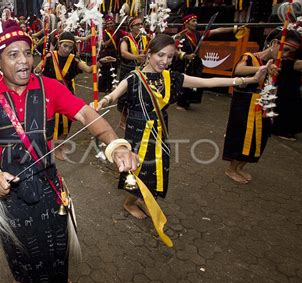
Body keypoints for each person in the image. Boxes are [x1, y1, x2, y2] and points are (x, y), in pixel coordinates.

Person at [0, 19, 138, 283]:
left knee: (57, 237)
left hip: (48, 182)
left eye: (27, 52)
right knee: (16, 242)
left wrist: (115, 144)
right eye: (13, 54)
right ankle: (21, 277)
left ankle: (59, 276)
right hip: (8, 188)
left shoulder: (50, 88)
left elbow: (85, 114)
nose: (24, 61)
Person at [96, 34, 267, 219]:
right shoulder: (134, 77)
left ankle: (143, 198)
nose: (165, 61)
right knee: (137, 169)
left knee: (156, 169)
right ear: (149, 53)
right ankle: (129, 202)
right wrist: (102, 101)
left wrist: (247, 80)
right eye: (160, 55)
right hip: (137, 134)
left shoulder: (173, 78)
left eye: (170, 57)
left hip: (159, 132)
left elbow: (207, 82)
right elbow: (113, 95)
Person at [223, 30, 302, 183]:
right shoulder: (250, 57)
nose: (287, 54)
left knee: (259, 139)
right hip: (245, 107)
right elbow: (238, 70)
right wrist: (262, 69)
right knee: (243, 137)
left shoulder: (277, 65)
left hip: (264, 107)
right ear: (274, 44)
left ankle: (240, 168)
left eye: (291, 52)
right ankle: (231, 169)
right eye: (286, 49)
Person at [36, 31, 116, 160]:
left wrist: (100, 62)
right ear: (59, 44)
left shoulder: (73, 59)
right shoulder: (50, 56)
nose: (67, 49)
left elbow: (89, 69)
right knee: (51, 121)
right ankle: (53, 147)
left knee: (66, 121)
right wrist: (39, 68)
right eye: (65, 46)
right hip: (49, 94)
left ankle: (59, 145)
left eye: (70, 47)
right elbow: (37, 70)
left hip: (66, 94)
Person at [173, 14, 243, 110]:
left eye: (196, 21)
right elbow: (174, 50)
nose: (196, 23)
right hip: (183, 63)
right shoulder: (180, 36)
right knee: (184, 81)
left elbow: (217, 30)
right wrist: (185, 56)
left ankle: (188, 101)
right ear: (186, 23)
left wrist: (235, 28)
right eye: (193, 21)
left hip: (195, 62)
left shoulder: (198, 34)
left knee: (196, 81)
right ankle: (180, 103)